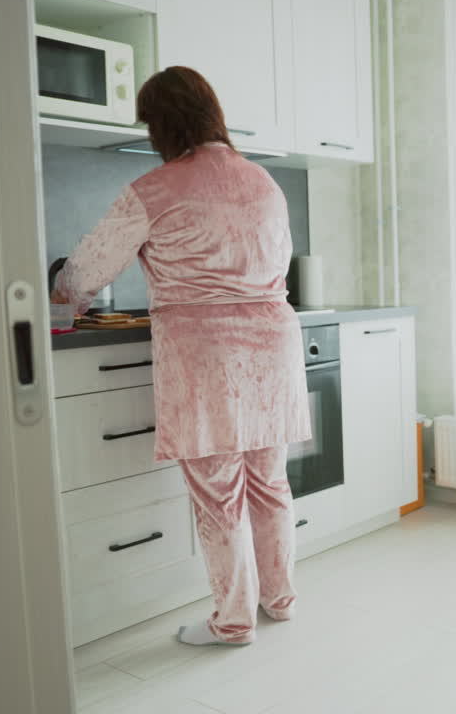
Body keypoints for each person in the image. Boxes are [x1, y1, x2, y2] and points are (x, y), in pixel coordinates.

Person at [51, 66, 310, 647]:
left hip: (206, 354)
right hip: (272, 345)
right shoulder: (265, 182)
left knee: (220, 493)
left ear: (163, 125)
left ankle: (234, 621)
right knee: (270, 483)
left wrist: (59, 296)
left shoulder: (155, 189)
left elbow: (86, 273)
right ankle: (280, 599)